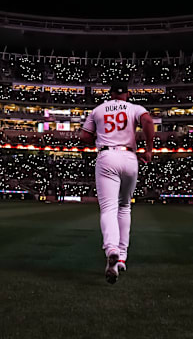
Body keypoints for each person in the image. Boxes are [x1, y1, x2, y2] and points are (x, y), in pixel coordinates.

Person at [80, 82, 155, 284]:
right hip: (129, 157)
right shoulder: (134, 108)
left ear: (111, 94)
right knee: (124, 208)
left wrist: (100, 137)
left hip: (107, 156)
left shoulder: (98, 109)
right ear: (127, 94)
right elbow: (148, 122)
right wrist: (148, 149)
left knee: (108, 208)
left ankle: (111, 248)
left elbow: (84, 136)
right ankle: (121, 257)